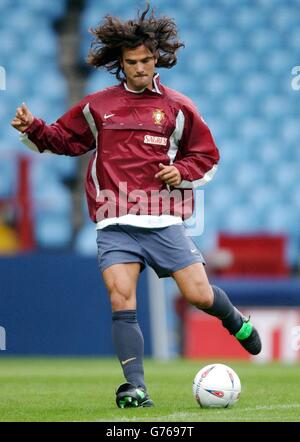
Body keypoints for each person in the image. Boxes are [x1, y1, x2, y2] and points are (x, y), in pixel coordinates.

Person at [11, 4, 261, 408]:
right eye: (132, 62)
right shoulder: (97, 106)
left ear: (156, 59)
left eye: (146, 60)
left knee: (198, 295)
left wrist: (181, 172)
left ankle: (235, 320)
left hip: (163, 221)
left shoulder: (178, 107)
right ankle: (136, 387)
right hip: (116, 223)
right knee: (120, 297)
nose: (140, 68)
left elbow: (208, 156)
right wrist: (34, 128)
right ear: (120, 64)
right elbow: (63, 139)